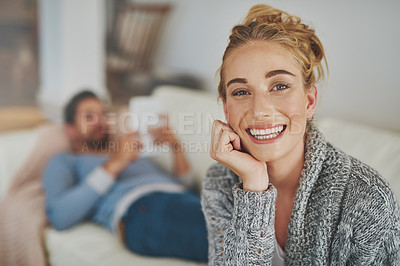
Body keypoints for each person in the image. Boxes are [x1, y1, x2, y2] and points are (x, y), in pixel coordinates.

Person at [202, 4, 400, 265]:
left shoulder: (366, 197)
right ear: (226, 109)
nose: (259, 110)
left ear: (309, 101)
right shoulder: (219, 181)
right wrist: (254, 186)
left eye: (279, 86)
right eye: (240, 92)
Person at [43, 90, 208, 262]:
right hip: (141, 209)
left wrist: (176, 147)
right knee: (223, 232)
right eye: (89, 116)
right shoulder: (67, 161)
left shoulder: (132, 149)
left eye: (103, 114)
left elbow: (184, 186)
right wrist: (117, 163)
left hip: (186, 199)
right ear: (70, 129)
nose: (101, 121)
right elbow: (59, 216)